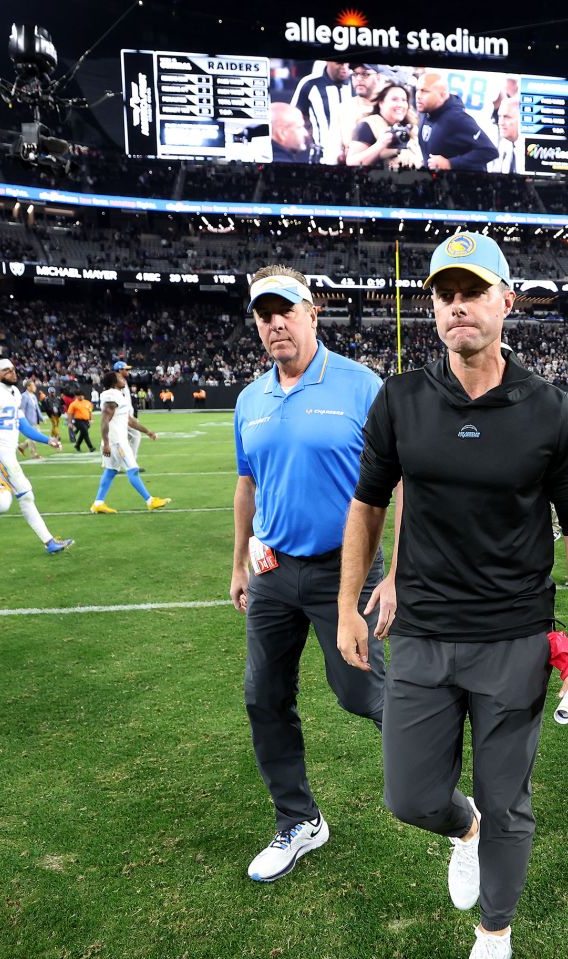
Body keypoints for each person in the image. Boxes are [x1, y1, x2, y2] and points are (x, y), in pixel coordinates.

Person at [335, 233, 568, 959]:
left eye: (474, 289)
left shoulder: (551, 410)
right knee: (410, 793)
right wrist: (352, 600)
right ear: (433, 308)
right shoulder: (400, 400)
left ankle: (495, 934)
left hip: (513, 638)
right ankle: (463, 829)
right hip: (419, 628)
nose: (458, 304)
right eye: (443, 292)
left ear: (505, 302)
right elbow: (369, 504)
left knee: (510, 798)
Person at [229, 265, 395, 884]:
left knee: (361, 693)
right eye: (262, 314)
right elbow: (247, 485)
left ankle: (437, 783)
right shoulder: (250, 398)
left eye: (285, 310)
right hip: (271, 571)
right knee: (263, 695)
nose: (274, 323)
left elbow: (399, 483)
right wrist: (239, 562)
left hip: (342, 572)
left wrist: (396, 571)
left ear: (312, 312)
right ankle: (298, 820)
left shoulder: (360, 385)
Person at [0, 358, 73, 557]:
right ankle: (49, 542)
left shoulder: (14, 393)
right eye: (7, 371)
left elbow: (23, 426)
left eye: (13, 369)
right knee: (24, 495)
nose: (13, 373)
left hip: (6, 452)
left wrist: (47, 440)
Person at [90, 368, 168, 513]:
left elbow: (130, 421)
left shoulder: (118, 395)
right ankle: (150, 501)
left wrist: (148, 432)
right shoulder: (111, 395)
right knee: (132, 469)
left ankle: (98, 503)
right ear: (114, 382)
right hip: (116, 441)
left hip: (116, 440)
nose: (123, 378)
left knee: (111, 471)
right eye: (119, 377)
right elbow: (104, 420)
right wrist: (106, 443)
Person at [417, 73, 498, 173]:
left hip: (464, 185)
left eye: (424, 91)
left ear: (442, 95)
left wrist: (450, 163)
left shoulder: (457, 119)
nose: (418, 96)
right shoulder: (428, 112)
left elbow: (489, 151)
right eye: (417, 90)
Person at [347, 84, 423, 170]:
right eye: (394, 99)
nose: (400, 104)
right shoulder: (368, 125)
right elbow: (352, 163)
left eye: (404, 100)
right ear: (381, 103)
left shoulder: (412, 129)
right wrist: (380, 145)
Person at [290, 59, 351, 164]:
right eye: (339, 63)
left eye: (346, 63)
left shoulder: (356, 82)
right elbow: (293, 117)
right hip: (321, 157)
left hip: (354, 156)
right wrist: (309, 137)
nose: (344, 67)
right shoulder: (310, 83)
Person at [17, 379, 46, 461]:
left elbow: (37, 408)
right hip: (28, 421)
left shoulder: (33, 396)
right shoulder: (24, 396)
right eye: (33, 385)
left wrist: (41, 418)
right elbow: (22, 409)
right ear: (28, 387)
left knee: (36, 436)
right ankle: (34, 454)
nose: (35, 387)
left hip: (35, 420)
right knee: (33, 437)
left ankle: (22, 446)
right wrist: (24, 421)